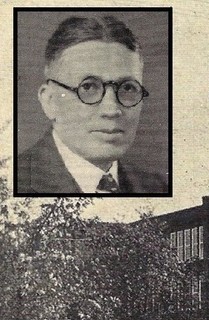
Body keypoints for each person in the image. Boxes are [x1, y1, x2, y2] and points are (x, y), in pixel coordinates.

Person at [16, 15, 166, 194]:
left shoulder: (156, 186)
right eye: (88, 87)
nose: (112, 110)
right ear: (50, 101)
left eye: (127, 88)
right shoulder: (15, 181)